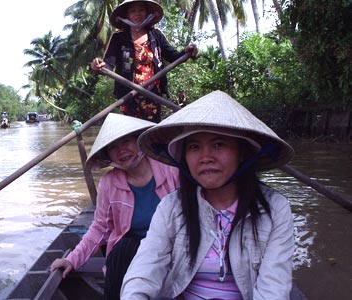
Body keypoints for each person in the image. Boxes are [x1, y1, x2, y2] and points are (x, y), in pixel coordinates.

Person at [121, 90, 295, 300]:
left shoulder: (275, 209)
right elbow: (145, 267)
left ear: (241, 153)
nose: (205, 157)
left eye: (218, 144)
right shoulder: (171, 206)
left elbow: (273, 288)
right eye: (194, 147)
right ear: (184, 157)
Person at [49, 113, 180, 300]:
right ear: (108, 155)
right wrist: (72, 259)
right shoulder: (109, 183)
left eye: (126, 141)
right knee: (124, 248)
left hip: (173, 247)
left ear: (139, 141)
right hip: (131, 254)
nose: (121, 150)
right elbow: (100, 227)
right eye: (113, 147)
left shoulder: (171, 170)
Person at [91, 0, 197, 123]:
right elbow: (108, 63)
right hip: (128, 94)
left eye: (141, 10)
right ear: (127, 15)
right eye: (133, 11)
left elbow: (173, 56)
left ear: (147, 13)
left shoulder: (156, 35)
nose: (137, 14)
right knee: (131, 130)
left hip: (152, 93)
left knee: (151, 131)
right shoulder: (118, 37)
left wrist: (187, 52)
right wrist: (99, 65)